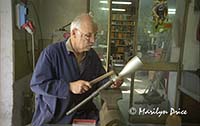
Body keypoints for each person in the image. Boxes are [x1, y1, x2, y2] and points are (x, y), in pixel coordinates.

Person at [30, 13, 123, 126]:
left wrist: (110, 82)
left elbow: (100, 79)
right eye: (88, 36)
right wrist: (69, 87)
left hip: (83, 114)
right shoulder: (52, 53)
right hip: (55, 117)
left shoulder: (91, 56)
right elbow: (37, 84)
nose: (93, 40)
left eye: (95, 35)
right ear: (74, 33)